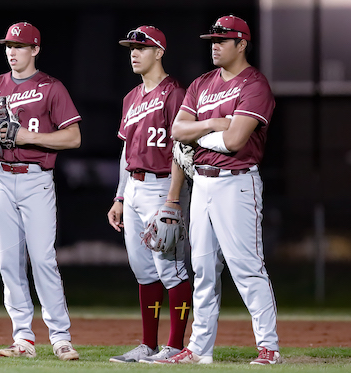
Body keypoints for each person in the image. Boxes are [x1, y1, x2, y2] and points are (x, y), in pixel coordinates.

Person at [154, 15, 281, 365]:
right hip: (203, 185)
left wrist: (201, 135)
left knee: (247, 267)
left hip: (237, 183)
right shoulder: (200, 84)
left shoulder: (255, 84)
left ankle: (269, 347)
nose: (215, 45)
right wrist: (212, 124)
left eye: (223, 40)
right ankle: (199, 349)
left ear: (242, 44)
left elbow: (236, 140)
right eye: (212, 39)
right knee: (204, 270)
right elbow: (179, 132)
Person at [0, 21, 81, 361]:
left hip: (35, 177)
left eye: (19, 46)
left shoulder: (51, 87)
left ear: (35, 49)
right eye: (8, 46)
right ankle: (23, 339)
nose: (12, 52)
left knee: (43, 259)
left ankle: (61, 337)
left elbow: (73, 138)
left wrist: (28, 138)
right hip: (0, 176)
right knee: (8, 262)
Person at [106, 26, 192, 364]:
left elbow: (181, 149)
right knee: (144, 271)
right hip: (135, 188)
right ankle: (148, 344)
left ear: (159, 52)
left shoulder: (175, 94)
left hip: (162, 187)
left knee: (171, 269)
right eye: (131, 48)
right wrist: (120, 196)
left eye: (142, 47)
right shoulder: (130, 98)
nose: (134, 52)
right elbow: (126, 152)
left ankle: (174, 345)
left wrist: (173, 199)